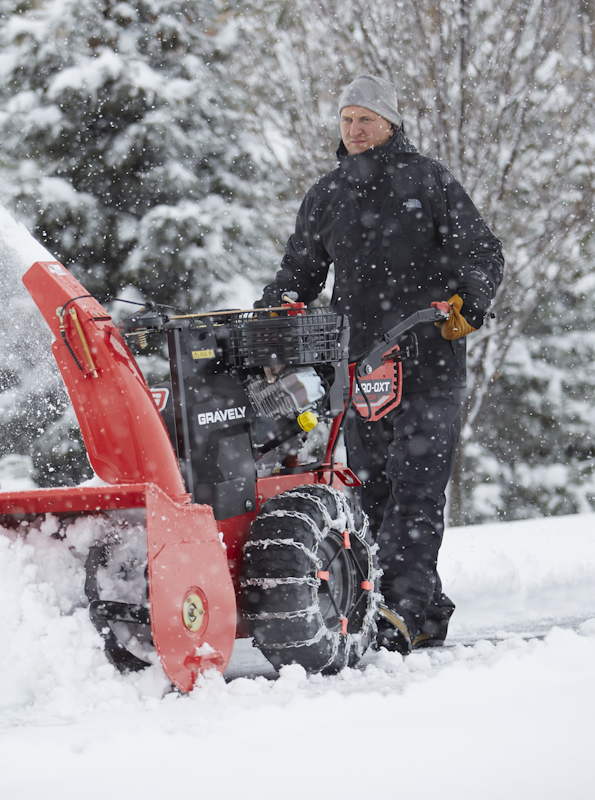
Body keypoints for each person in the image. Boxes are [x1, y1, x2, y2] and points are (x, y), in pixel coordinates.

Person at [256, 75, 503, 653]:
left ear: (391, 123)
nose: (355, 130)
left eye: (366, 119)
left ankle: (400, 611)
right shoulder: (327, 195)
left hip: (427, 360)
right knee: (375, 495)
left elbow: (480, 251)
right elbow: (298, 275)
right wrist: (272, 316)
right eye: (347, 120)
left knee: (417, 492)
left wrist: (472, 301)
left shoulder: (430, 182)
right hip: (361, 369)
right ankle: (426, 609)